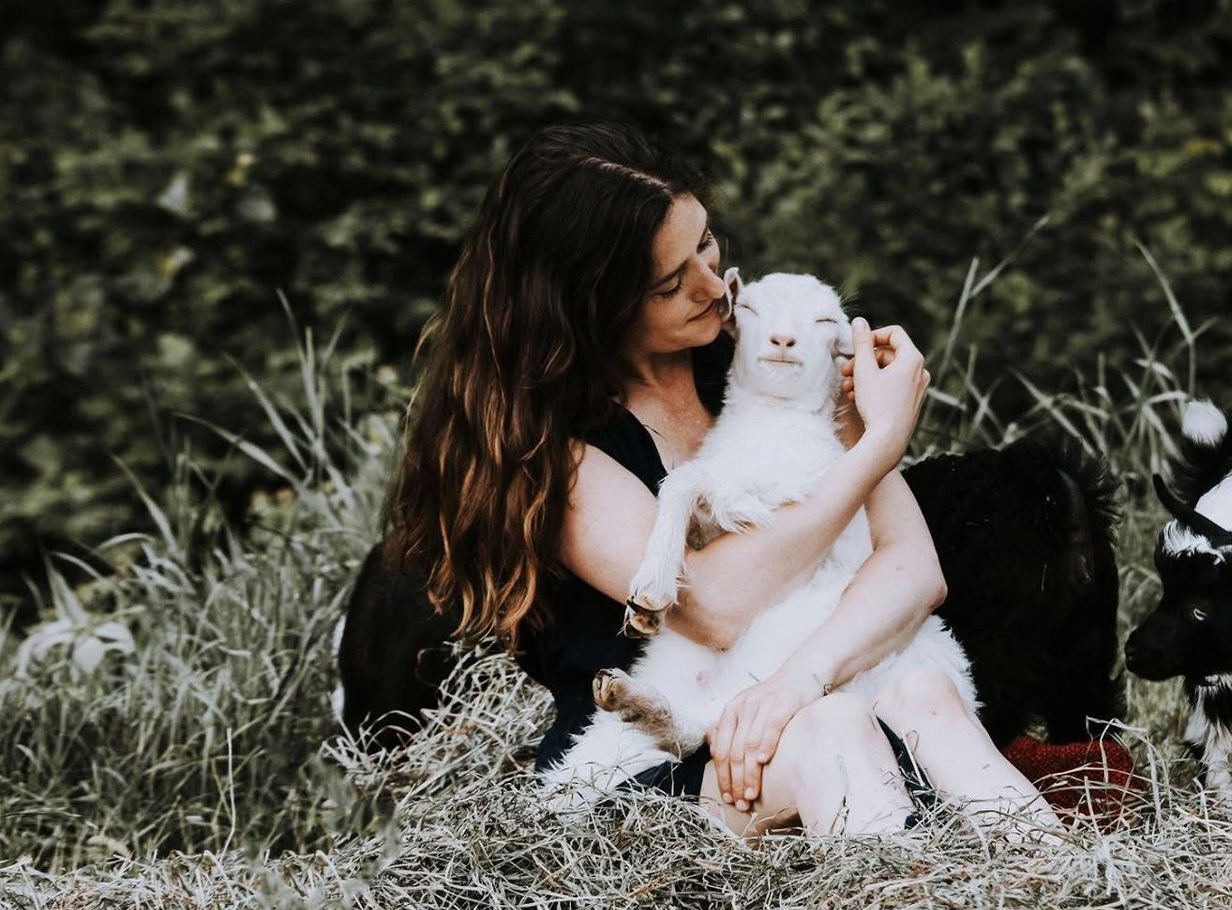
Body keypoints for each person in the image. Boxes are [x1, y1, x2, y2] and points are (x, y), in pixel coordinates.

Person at [384, 123, 1062, 839]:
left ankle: (1068, 899)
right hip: (661, 759)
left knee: (923, 692)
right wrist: (877, 447)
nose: (714, 290)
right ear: (593, 304)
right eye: (671, 282)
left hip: (802, 697)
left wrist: (793, 683)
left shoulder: (755, 357)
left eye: (706, 243)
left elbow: (911, 569)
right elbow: (712, 605)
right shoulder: (550, 450)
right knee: (832, 731)